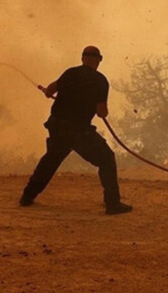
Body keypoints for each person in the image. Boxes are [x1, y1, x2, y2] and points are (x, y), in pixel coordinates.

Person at [20, 46, 133, 215]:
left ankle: (27, 197)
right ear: (98, 60)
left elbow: (51, 89)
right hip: (79, 131)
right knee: (107, 159)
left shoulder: (70, 73)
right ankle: (112, 204)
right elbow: (102, 112)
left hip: (58, 127)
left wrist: (48, 92)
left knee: (50, 160)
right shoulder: (100, 81)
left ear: (82, 59)